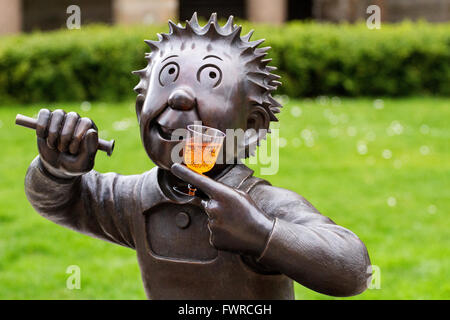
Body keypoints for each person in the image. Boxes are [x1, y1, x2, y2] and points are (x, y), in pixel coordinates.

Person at [24, 13, 371, 299]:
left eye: (210, 79)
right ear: (140, 109)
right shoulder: (135, 200)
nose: (179, 97)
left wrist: (263, 234)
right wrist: (57, 171)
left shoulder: (259, 205)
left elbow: (353, 269)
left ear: (250, 126)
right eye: (169, 76)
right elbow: (60, 203)